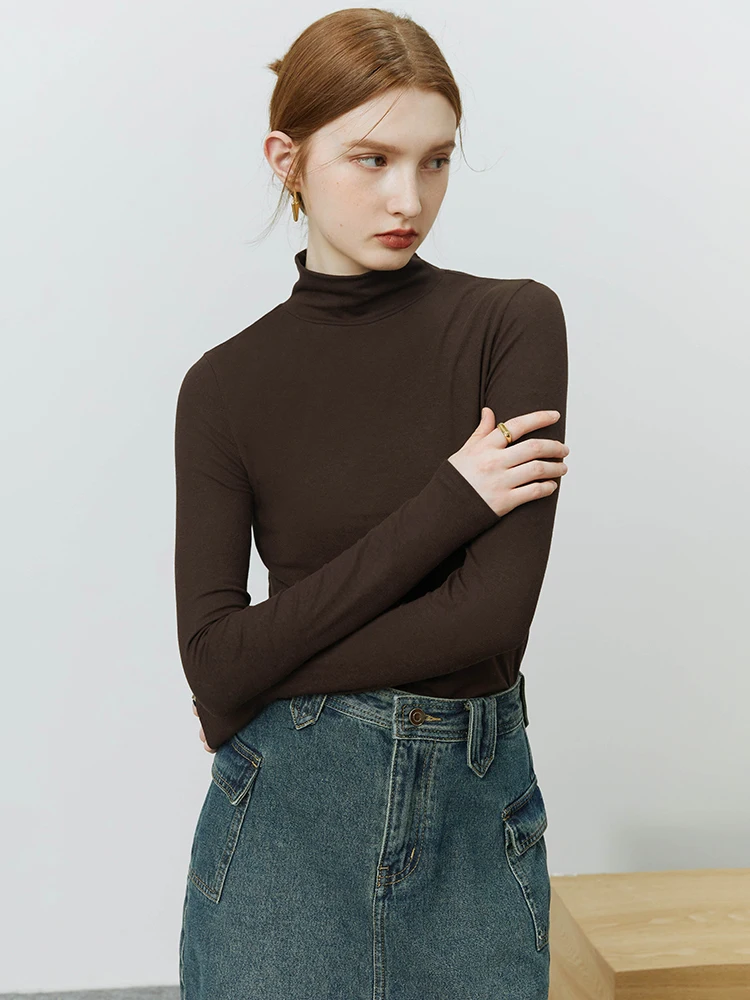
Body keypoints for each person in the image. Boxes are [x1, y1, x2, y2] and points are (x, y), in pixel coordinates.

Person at [175, 9, 570, 999]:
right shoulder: (222, 387)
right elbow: (212, 655)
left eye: (435, 161)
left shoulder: (511, 323)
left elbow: (487, 619)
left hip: (471, 830)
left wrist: (252, 677)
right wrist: (452, 500)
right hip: (281, 834)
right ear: (288, 159)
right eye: (372, 159)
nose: (410, 198)